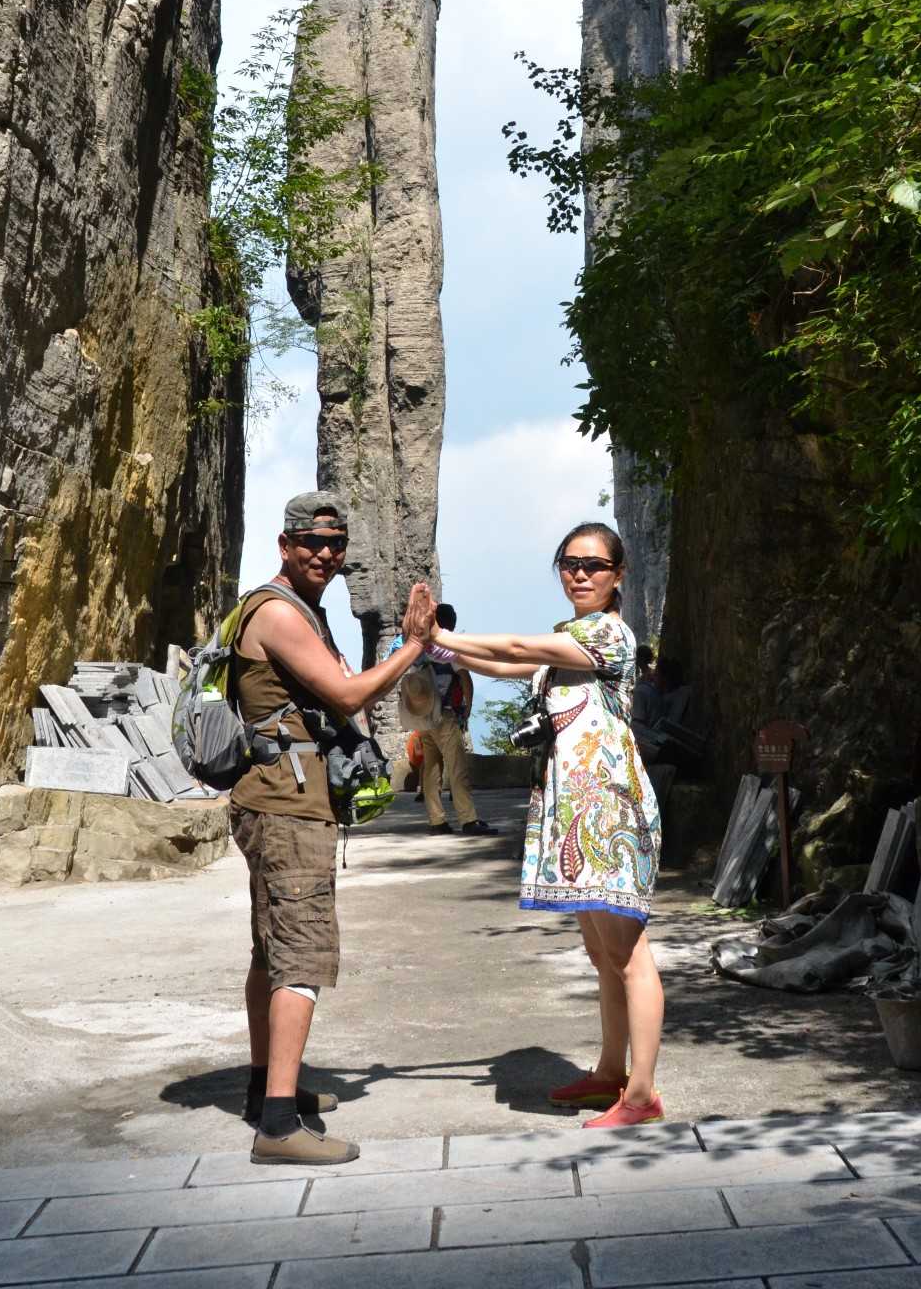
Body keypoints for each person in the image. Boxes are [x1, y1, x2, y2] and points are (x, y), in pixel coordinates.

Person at [409, 522, 665, 1127]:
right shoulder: (570, 634)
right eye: (570, 563)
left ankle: (642, 1095)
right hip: (575, 809)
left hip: (607, 810)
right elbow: (505, 667)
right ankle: (610, 1073)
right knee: (604, 955)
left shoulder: (610, 634)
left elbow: (517, 651)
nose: (580, 573)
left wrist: (439, 633)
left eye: (595, 565)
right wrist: (435, 648)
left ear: (617, 575)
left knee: (629, 955)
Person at [230, 490, 435, 1166]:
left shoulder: (300, 612)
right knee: (302, 955)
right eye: (312, 542)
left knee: (272, 950)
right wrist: (414, 646)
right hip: (285, 806)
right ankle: (280, 1127)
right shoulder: (279, 614)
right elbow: (350, 694)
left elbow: (340, 682)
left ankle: (268, 1091)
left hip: (279, 798)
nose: (325, 553)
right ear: (284, 545)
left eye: (336, 544)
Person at [414, 604, 498, 838]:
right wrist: (468, 707)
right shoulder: (446, 644)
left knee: (430, 770)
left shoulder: (420, 648)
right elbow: (464, 675)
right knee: (457, 767)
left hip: (424, 716)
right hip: (445, 714)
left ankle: (436, 821)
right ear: (450, 623)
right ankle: (468, 819)